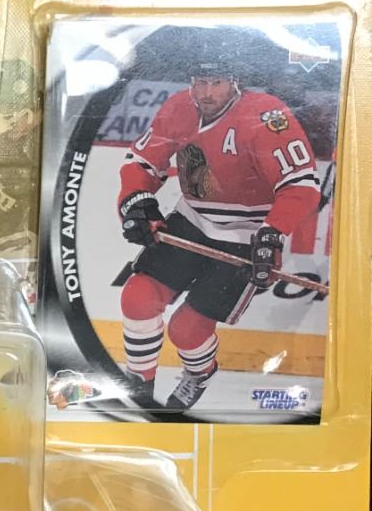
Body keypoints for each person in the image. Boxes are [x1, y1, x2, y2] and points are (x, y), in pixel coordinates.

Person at [116, 57, 324, 410]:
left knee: (186, 330)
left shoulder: (266, 116)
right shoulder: (179, 106)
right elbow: (142, 163)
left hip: (247, 236)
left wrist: (272, 234)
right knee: (138, 297)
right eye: (200, 82)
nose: (206, 93)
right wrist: (136, 200)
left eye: (217, 83)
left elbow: (301, 185)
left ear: (235, 82)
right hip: (192, 220)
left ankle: (200, 373)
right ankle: (139, 385)